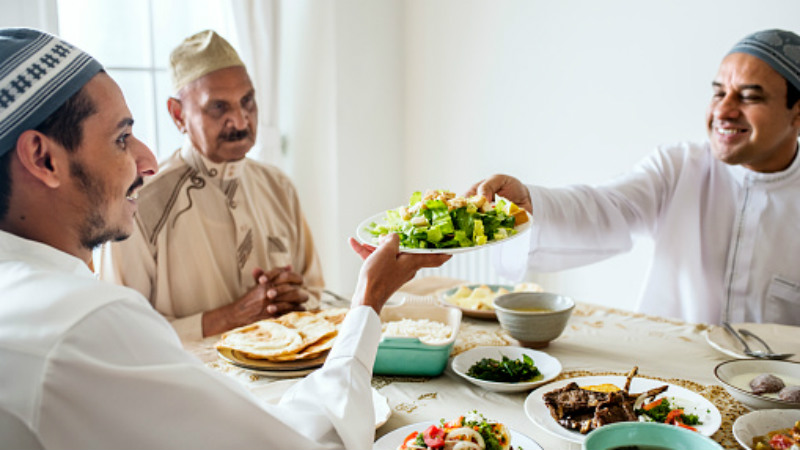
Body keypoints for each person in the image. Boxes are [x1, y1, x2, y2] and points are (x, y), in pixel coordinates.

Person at [0, 27, 450, 449]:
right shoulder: (92, 317)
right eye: (122, 138)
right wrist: (369, 297)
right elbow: (302, 441)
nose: (146, 160)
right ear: (43, 158)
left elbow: (315, 302)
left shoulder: (277, 186)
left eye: (248, 102)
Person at [470, 29, 800, 326]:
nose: (723, 111)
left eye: (749, 97)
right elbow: (605, 206)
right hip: (671, 376)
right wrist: (531, 203)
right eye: (718, 93)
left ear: (796, 114)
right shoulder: (679, 165)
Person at [97, 29, 323, 340]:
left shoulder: (278, 188)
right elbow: (120, 331)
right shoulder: (139, 202)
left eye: (248, 102)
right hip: (188, 385)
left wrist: (292, 299)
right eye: (218, 107)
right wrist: (229, 318)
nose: (241, 121)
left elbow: (315, 294)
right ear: (179, 115)